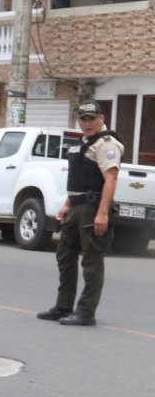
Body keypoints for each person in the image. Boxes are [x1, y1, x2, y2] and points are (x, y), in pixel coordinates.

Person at [37, 100, 122, 327]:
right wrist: (67, 204)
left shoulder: (106, 144)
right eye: (83, 119)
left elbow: (111, 178)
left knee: (92, 262)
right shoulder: (82, 143)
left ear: (102, 119)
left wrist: (102, 213)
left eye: (92, 118)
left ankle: (85, 312)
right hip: (75, 207)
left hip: (93, 208)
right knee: (65, 256)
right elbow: (79, 181)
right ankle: (63, 306)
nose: (87, 123)